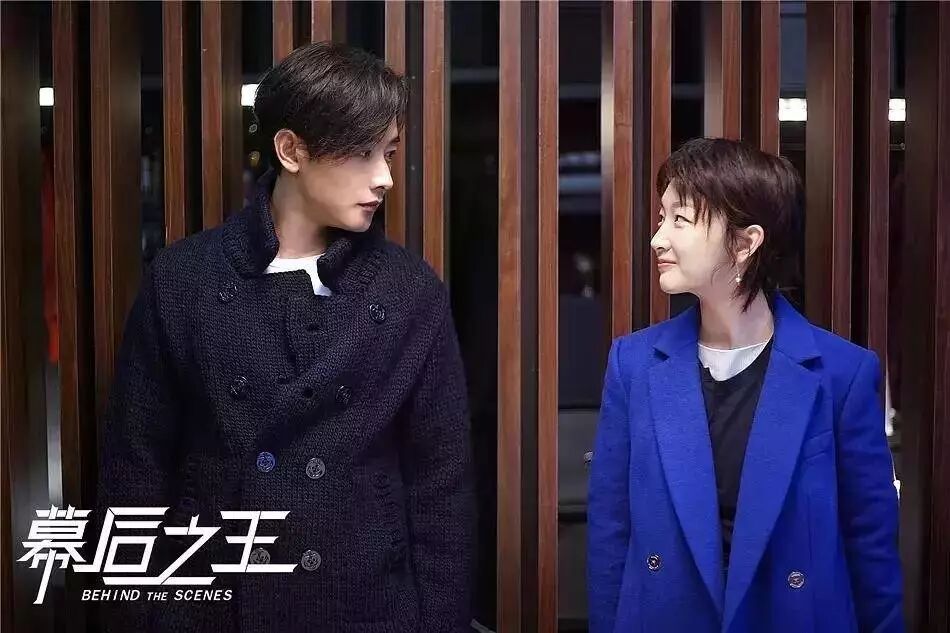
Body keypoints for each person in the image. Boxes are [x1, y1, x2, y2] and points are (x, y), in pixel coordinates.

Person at [95, 42, 474, 632]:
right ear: (291, 150)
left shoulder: (409, 292)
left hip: (367, 606)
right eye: (363, 154)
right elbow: (135, 473)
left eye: (389, 154)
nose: (384, 178)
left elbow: (441, 489)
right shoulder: (183, 280)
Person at [587, 138, 902, 633]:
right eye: (662, 217)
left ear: (744, 243)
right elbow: (610, 532)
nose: (657, 239)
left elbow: (871, 546)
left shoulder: (842, 373)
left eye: (680, 220)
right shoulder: (634, 365)